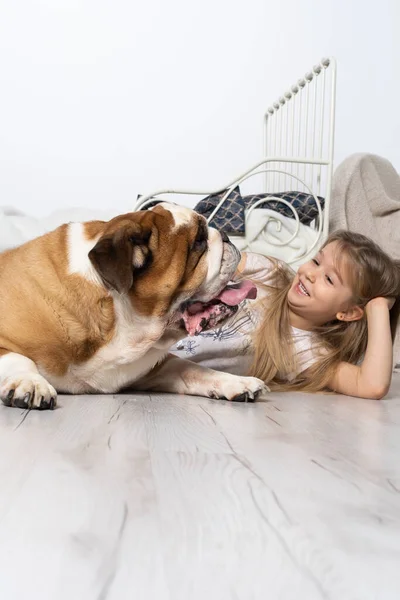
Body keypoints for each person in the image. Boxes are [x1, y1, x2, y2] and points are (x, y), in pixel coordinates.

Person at [172, 230, 400, 399]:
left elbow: (372, 386)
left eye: (329, 279)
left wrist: (378, 308)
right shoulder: (271, 272)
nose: (311, 274)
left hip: (165, 372)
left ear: (348, 313)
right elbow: (210, 261)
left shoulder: (307, 350)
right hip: (153, 332)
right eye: (316, 261)